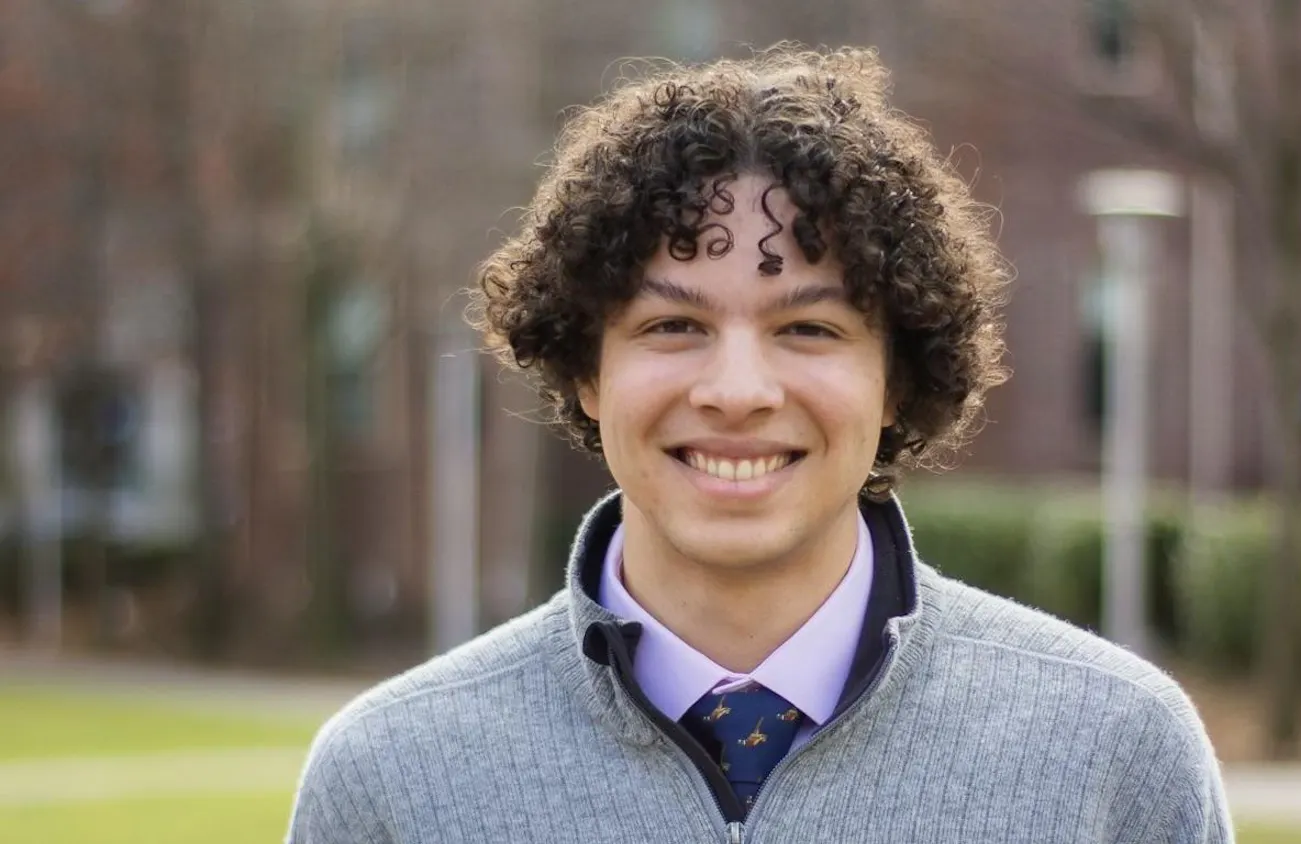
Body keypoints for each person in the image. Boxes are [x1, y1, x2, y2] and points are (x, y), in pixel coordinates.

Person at [286, 45, 1233, 843]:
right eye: (673, 328)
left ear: (897, 377)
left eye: (808, 329)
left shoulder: (1116, 753)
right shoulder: (390, 783)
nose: (737, 391)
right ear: (586, 367)